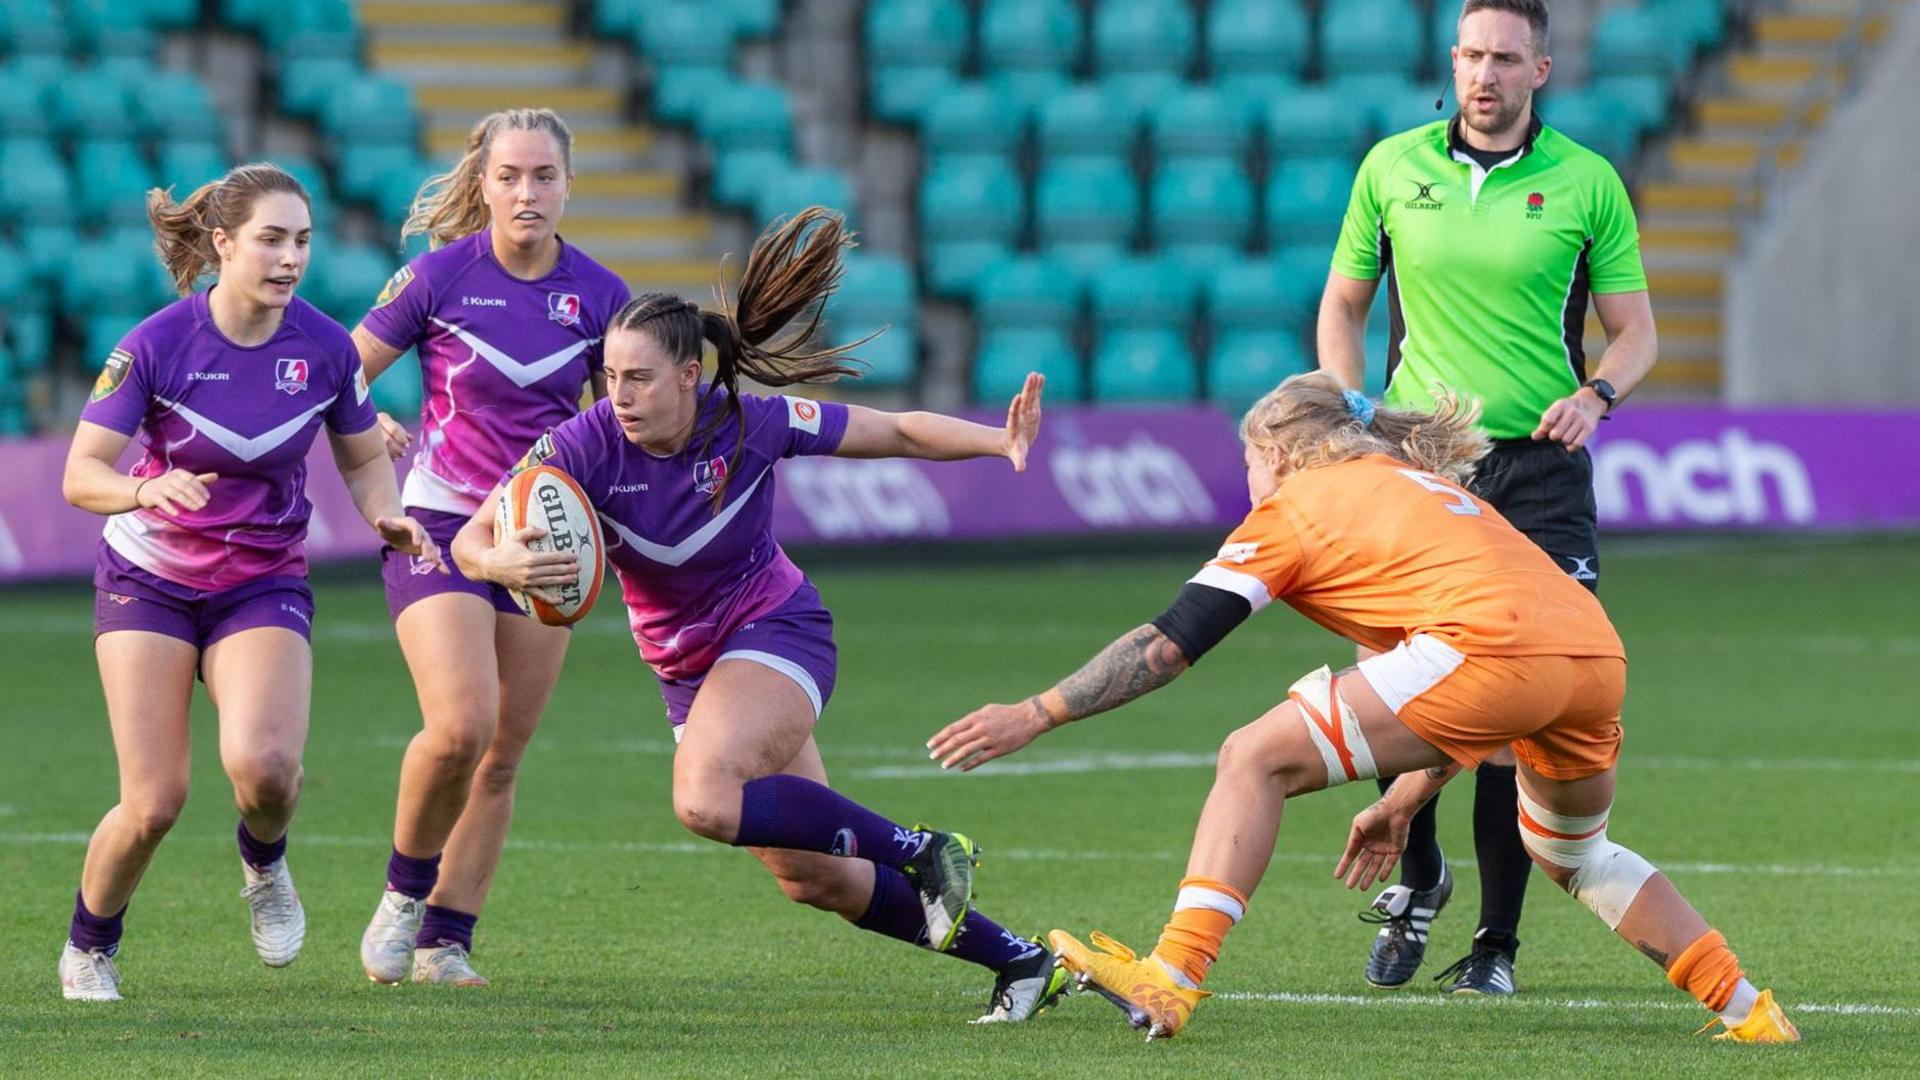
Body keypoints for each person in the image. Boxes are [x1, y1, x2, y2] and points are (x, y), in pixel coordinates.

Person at [929, 373, 1797, 1043]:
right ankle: (1751, 1008)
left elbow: (1169, 644)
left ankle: (1175, 974)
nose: (1247, 480)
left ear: (1280, 448)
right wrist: (1399, 801)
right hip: (1591, 654)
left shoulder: (1299, 509)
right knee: (1574, 853)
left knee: (1251, 757)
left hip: (1489, 649)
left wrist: (1037, 712)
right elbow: (1482, 692)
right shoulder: (1417, 488)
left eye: (1247, 461)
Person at [451, 207, 1068, 1022]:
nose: (618, 395)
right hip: (687, 672)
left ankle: (929, 852)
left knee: (704, 797)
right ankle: (1021, 963)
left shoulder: (750, 421)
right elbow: (469, 539)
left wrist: (998, 442)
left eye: (638, 378)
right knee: (819, 878)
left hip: (775, 633)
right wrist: (502, 563)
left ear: (688, 378)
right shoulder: (582, 445)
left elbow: (896, 432)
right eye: (608, 375)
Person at [1315, 0, 1660, 993]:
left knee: (1522, 701)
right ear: (1454, 61)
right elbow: (1342, 305)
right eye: (1471, 54)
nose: (1485, 74)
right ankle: (1419, 878)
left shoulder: (1588, 182)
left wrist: (1597, 394)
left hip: (1540, 472)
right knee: (1388, 686)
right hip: (1421, 462)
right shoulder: (1391, 168)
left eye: (1506, 57)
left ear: (1540, 70)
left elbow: (1636, 332)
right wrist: (1351, 411)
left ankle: (1496, 952)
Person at [58, 164, 442, 1002]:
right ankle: (91, 947)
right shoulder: (155, 344)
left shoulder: (327, 348)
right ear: (223, 244)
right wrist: (142, 488)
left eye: (302, 240)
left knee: (267, 771)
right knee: (154, 801)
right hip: (147, 580)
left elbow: (363, 458)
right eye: (271, 238)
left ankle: (264, 864)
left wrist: (389, 516)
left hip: (262, 579)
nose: (290, 257)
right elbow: (81, 476)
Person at [351, 108, 631, 988]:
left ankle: (444, 942)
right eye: (509, 176)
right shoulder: (435, 278)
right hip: (436, 521)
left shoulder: (602, 296)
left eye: (544, 176)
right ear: (483, 183)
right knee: (461, 725)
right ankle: (402, 897)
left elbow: (621, 422)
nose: (527, 192)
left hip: (544, 536)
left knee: (503, 753)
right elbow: (341, 377)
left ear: (568, 186)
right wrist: (374, 417)